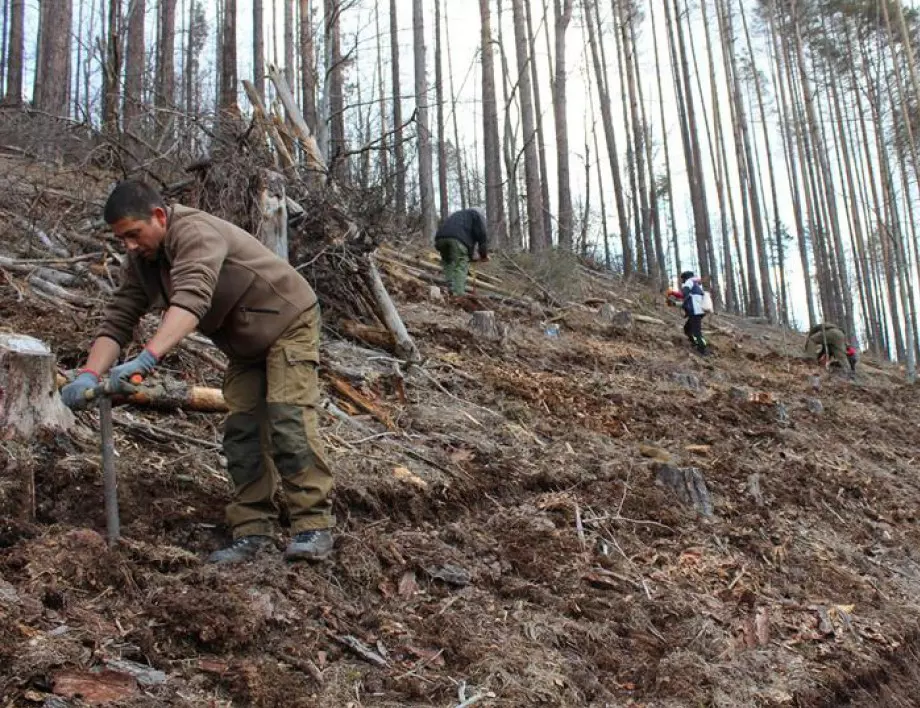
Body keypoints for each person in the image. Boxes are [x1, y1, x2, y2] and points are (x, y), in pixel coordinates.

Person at [60, 180, 335, 564]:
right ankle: (252, 532)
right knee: (242, 432)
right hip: (245, 340)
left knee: (288, 418)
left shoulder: (195, 234)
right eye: (122, 239)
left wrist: (146, 359)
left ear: (158, 216)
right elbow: (118, 319)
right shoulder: (143, 262)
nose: (130, 246)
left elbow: (192, 300)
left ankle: (313, 526)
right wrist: (89, 374)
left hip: (290, 321)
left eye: (134, 235)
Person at [434, 207, 489, 296]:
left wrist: (471, 256)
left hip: (440, 239)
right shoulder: (476, 215)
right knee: (461, 265)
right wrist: (483, 255)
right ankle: (458, 295)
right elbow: (482, 237)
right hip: (457, 240)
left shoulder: (458, 214)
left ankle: (449, 289)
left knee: (448, 262)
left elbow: (468, 240)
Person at [680, 271, 710, 355]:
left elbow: (684, 293)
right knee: (687, 329)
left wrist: (673, 294)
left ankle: (703, 350)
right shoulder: (697, 285)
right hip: (698, 311)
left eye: (682, 279)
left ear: (685, 278)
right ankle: (695, 343)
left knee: (696, 332)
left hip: (695, 312)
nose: (682, 281)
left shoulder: (689, 282)